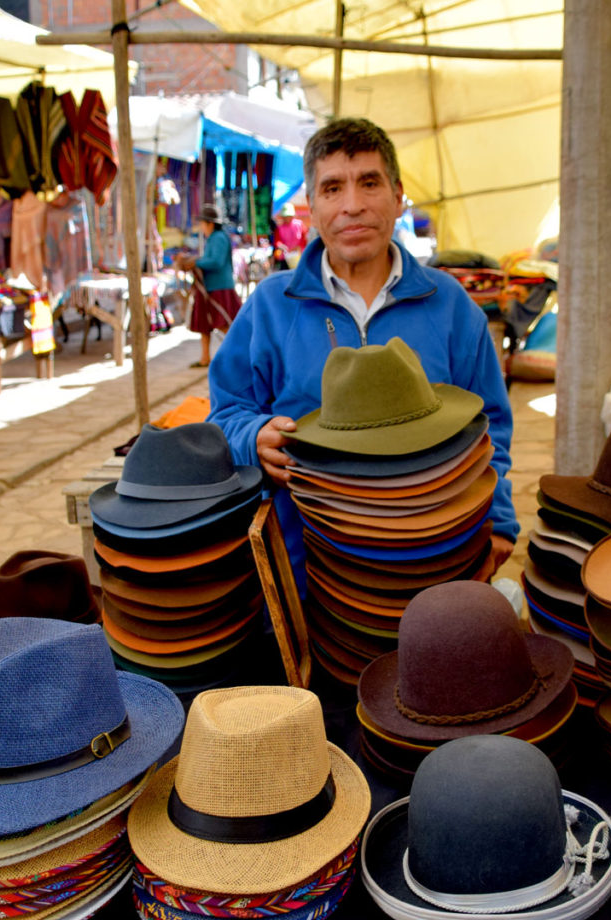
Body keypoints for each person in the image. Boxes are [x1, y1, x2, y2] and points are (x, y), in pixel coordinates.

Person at [208, 118, 518, 584]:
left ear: (397, 196)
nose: (352, 206)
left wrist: (499, 522)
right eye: (332, 189)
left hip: (435, 554)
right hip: (310, 561)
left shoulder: (452, 306)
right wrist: (252, 437)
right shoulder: (270, 308)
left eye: (369, 183)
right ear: (311, 208)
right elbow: (225, 412)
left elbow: (489, 429)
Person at [175, 203, 241, 367]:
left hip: (219, 287)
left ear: (210, 224)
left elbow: (216, 262)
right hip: (209, 287)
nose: (202, 227)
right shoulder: (213, 238)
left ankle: (239, 354)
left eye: (203, 224)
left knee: (224, 324)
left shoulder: (218, 238)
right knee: (205, 325)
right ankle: (205, 357)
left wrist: (196, 261)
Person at [272, 201, 308, 270]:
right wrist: (281, 246)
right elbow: (277, 241)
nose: (287, 218)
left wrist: (298, 247)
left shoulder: (299, 225)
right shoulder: (280, 228)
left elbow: (305, 239)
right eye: (285, 216)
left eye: (288, 216)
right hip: (285, 257)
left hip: (299, 255)